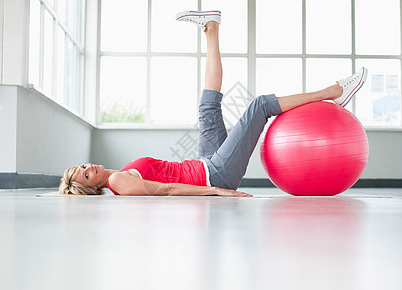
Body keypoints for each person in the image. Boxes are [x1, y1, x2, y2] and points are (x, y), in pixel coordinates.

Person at [59, 10, 368, 196]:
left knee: (207, 108)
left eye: (84, 166)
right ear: (90, 186)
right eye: (86, 175)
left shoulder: (119, 173)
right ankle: (333, 92)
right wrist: (214, 190)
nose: (90, 167)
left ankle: (211, 28)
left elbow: (168, 179)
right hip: (214, 174)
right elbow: (168, 190)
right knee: (258, 106)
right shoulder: (116, 181)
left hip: (204, 162)